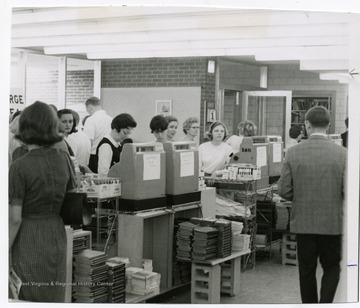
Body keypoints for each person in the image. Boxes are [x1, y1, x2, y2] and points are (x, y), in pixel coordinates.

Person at [278, 106, 347, 303]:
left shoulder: (292, 153)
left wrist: (301, 196)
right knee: (332, 267)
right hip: (333, 223)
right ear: (329, 125)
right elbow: (348, 190)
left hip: (304, 223)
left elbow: (283, 190)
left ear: (306, 124)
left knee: (306, 271)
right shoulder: (343, 154)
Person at [9, 101, 75, 302]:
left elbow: (14, 219)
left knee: (27, 294)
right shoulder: (63, 158)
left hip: (29, 236)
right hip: (56, 232)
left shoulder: (20, 165)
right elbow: (72, 193)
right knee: (53, 292)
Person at [96, 113, 137, 177]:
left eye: (129, 133)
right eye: (125, 133)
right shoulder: (106, 146)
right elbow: (103, 174)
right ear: (115, 129)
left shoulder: (117, 144)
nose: (126, 136)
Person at [83, 96, 112, 172]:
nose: (88, 112)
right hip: (109, 154)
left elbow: (88, 142)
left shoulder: (91, 120)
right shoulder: (111, 119)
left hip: (94, 156)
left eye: (87, 110)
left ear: (90, 107)